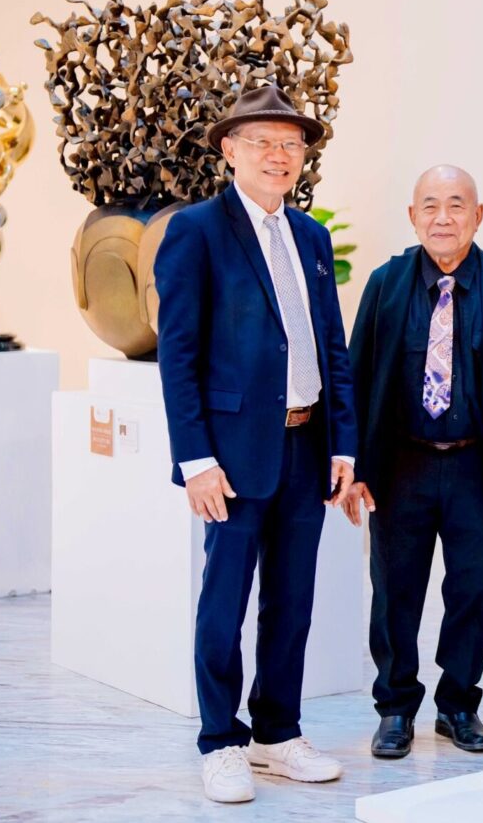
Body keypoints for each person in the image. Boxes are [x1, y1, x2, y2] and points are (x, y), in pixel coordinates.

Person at [155, 84, 359, 803]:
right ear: (229, 149)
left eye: (291, 144)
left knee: (292, 601)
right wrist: (196, 459)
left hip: (307, 446)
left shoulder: (310, 235)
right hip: (232, 454)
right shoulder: (196, 231)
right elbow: (178, 353)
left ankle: (276, 733)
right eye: (263, 141)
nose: (280, 155)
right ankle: (220, 741)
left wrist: (343, 444)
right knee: (224, 602)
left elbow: (331, 347)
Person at [344, 165, 483, 759]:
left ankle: (458, 704)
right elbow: (356, 377)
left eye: (456, 205)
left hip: (478, 469)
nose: (442, 217)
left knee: (474, 591)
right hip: (400, 467)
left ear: (477, 216)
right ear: (413, 217)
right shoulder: (385, 284)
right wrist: (356, 467)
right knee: (394, 593)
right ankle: (395, 708)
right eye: (429, 205)